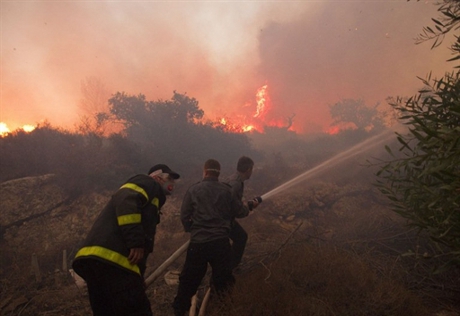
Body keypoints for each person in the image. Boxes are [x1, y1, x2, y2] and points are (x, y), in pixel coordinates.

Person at [72, 164, 180, 316]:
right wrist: (135, 242)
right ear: (156, 177)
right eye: (169, 178)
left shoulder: (152, 199)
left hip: (94, 263)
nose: (172, 183)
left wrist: (138, 276)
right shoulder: (147, 183)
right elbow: (126, 200)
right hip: (115, 263)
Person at [172, 159, 248, 316]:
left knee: (188, 281)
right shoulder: (226, 190)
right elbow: (238, 212)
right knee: (223, 281)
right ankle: (223, 309)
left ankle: (179, 310)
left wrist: (192, 230)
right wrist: (248, 208)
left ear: (205, 171)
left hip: (198, 244)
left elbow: (184, 216)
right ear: (218, 173)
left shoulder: (194, 190)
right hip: (220, 243)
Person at [225, 156, 261, 270]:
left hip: (224, 219)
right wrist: (248, 208)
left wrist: (246, 205)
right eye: (252, 169)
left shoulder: (235, 180)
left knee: (240, 237)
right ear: (248, 170)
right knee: (241, 237)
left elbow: (234, 203)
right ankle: (231, 267)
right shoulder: (235, 184)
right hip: (223, 221)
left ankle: (230, 266)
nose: (252, 172)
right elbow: (234, 208)